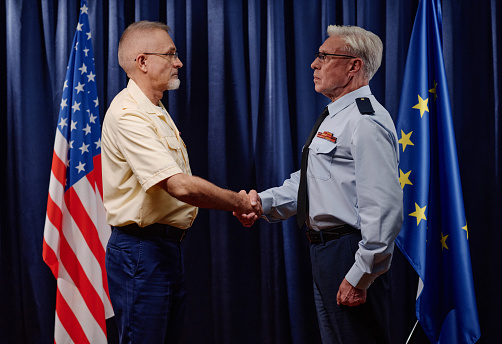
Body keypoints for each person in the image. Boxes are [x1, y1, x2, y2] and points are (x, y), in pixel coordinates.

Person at [235, 25, 403, 344]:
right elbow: (313, 183)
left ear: (354, 65)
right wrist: (261, 203)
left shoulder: (365, 120)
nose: (314, 64)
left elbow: (385, 211)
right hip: (326, 252)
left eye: (324, 57)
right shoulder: (337, 115)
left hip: (350, 253)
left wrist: (361, 275)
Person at [101, 21, 262, 343]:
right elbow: (181, 186)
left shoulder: (153, 109)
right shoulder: (128, 113)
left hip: (162, 249)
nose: (179, 62)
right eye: (170, 54)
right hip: (140, 252)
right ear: (142, 61)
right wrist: (239, 203)